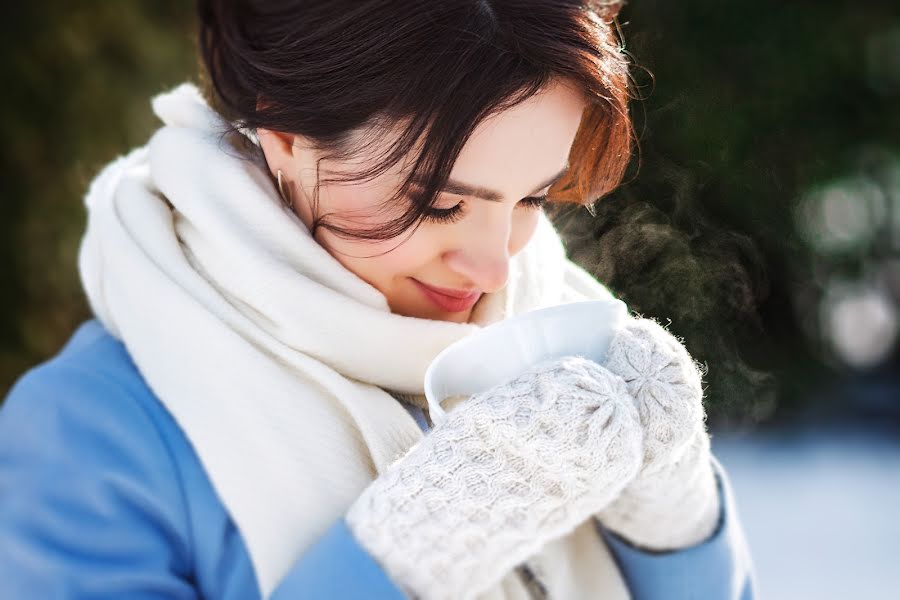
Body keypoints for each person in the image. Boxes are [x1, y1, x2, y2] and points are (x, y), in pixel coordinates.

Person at [0, 1, 756, 598]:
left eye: (532, 198)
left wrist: (673, 523)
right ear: (287, 134)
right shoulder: (90, 435)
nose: (495, 268)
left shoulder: (551, 324)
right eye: (436, 203)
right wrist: (402, 563)